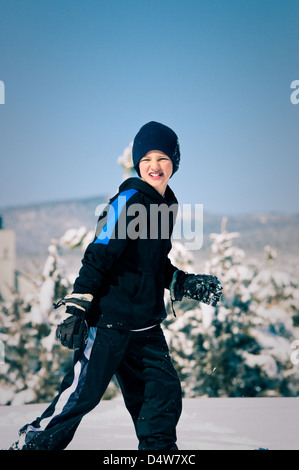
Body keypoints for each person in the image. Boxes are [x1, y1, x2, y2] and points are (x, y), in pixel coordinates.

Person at [10, 121, 222, 450]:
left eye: (163, 159)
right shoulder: (129, 200)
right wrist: (77, 306)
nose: (155, 166)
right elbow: (99, 253)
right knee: (82, 396)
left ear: (174, 164)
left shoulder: (166, 206)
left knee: (161, 396)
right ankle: (31, 444)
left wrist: (183, 281)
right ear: (138, 163)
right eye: (147, 159)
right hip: (108, 321)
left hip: (146, 326)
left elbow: (150, 264)